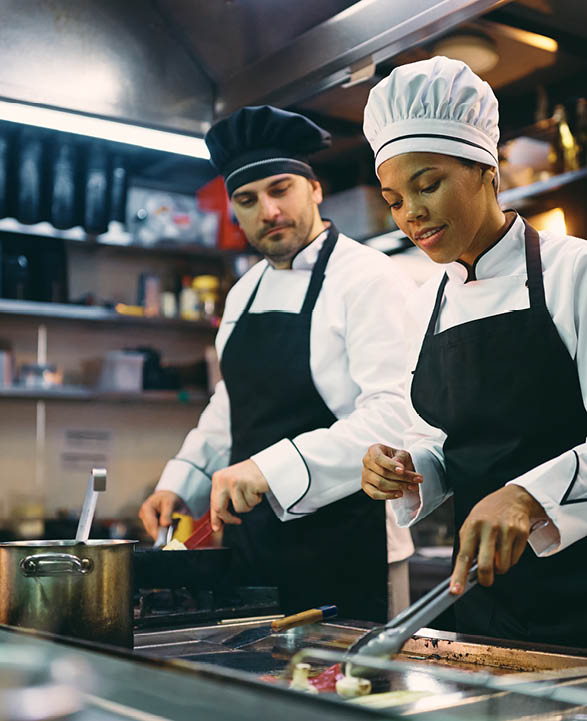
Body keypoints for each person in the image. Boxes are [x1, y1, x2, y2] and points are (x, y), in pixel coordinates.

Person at [139, 105, 414, 619]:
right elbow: (232, 402)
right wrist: (183, 481)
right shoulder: (244, 293)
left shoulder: (369, 278)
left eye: (280, 189)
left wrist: (268, 468)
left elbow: (394, 417)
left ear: (314, 189)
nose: (267, 211)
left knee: (352, 692)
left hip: (352, 543)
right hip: (257, 547)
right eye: (247, 199)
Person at [360, 56, 587, 647]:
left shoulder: (575, 273)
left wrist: (528, 494)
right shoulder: (425, 301)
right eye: (393, 200)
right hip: (486, 601)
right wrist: (409, 468)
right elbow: (450, 437)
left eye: (426, 185)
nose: (411, 214)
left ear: (486, 168)